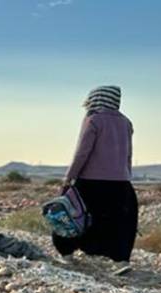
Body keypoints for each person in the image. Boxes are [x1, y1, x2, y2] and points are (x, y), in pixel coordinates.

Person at [54, 85, 138, 276]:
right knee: (119, 222)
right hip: (121, 182)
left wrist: (69, 177)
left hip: (91, 181)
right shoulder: (126, 122)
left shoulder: (93, 119)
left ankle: (66, 254)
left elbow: (82, 152)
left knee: (74, 213)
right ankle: (120, 261)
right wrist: (126, 176)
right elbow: (128, 155)